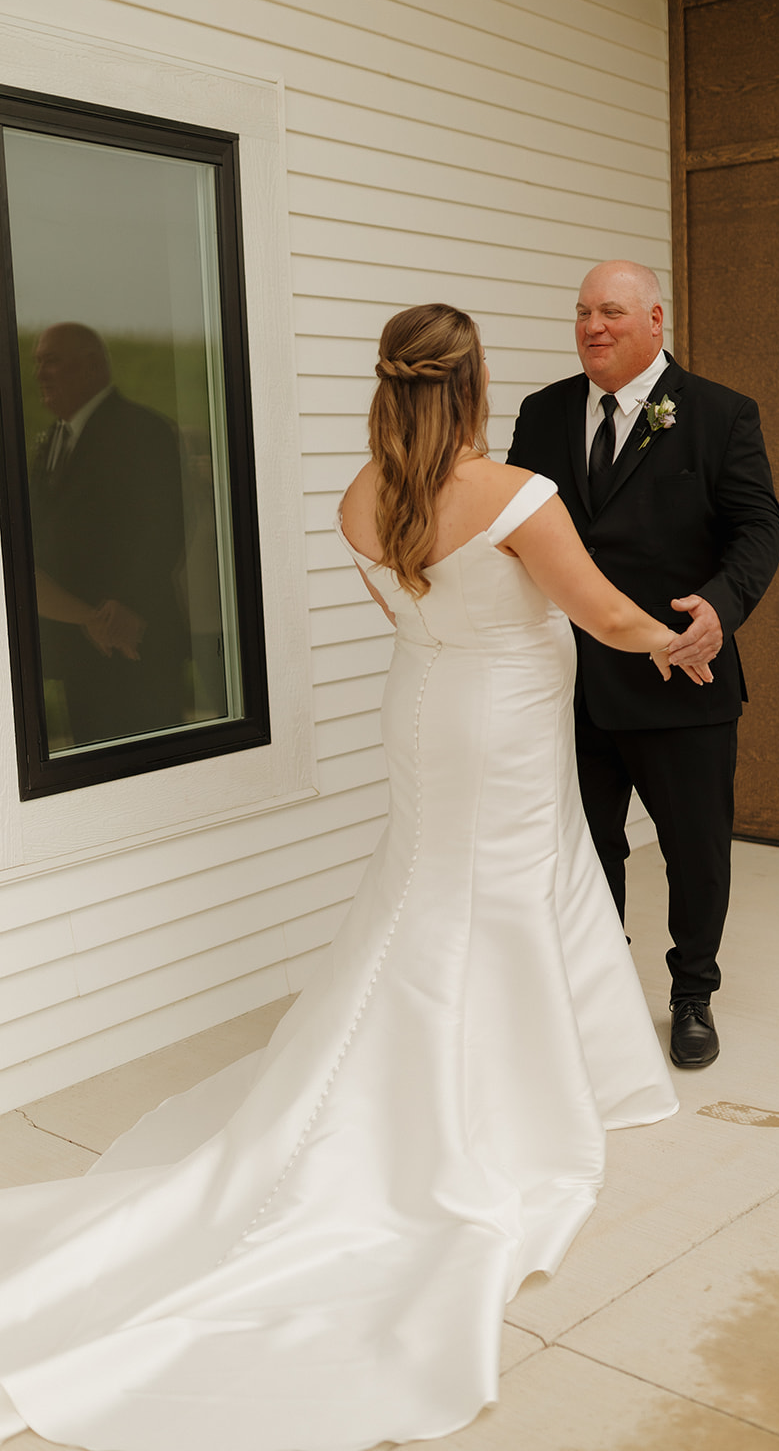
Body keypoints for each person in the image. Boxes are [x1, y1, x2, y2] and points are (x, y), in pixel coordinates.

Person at [0, 303, 679, 1451]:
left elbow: (408, 616)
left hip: (420, 712)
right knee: (497, 898)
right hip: (502, 724)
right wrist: (670, 640)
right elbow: (600, 611)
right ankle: (494, 1102)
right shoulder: (517, 494)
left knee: (435, 886)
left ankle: (553, 1069)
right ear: (468, 387)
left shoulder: (364, 498)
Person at [508, 261, 779, 1069]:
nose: (593, 326)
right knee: (587, 849)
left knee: (695, 851)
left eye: (613, 312)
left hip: (680, 673)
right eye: (583, 313)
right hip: (571, 683)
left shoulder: (720, 415)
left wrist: (720, 610)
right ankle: (598, 995)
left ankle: (692, 992)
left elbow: (759, 529)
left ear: (656, 322)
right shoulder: (544, 411)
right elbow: (520, 524)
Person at [28, 322, 189, 748]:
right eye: (38, 363)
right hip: (80, 646)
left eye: (52, 361)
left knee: (153, 765)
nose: (40, 374)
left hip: (135, 640)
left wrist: (125, 606)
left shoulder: (143, 431)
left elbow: (164, 526)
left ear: (93, 366)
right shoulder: (53, 441)